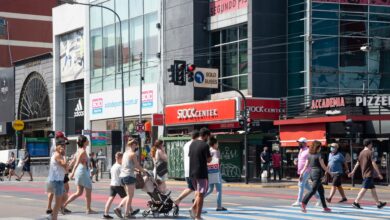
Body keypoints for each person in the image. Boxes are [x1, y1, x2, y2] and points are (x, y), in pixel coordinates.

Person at [348, 139, 386, 209]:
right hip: (368, 174)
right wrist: (379, 173)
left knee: (373, 189)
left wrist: (353, 171)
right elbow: (373, 163)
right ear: (369, 144)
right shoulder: (370, 152)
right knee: (364, 188)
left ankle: (378, 203)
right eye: (371, 144)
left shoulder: (361, 152)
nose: (372, 146)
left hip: (365, 174)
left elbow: (357, 163)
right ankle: (355, 202)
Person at [63, 135, 97, 214]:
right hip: (82, 172)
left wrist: (67, 168)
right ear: (84, 142)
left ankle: (63, 205)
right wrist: (71, 173)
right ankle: (88, 209)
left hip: (80, 172)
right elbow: (76, 163)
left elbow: (73, 161)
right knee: (88, 190)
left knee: (79, 192)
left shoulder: (78, 150)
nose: (88, 141)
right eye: (87, 140)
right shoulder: (82, 151)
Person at [300, 140, 331, 213]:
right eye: (320, 147)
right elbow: (323, 166)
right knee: (313, 190)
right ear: (318, 147)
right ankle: (304, 203)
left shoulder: (309, 155)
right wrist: (330, 172)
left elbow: (306, 165)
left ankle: (325, 207)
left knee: (321, 191)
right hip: (317, 173)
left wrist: (302, 173)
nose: (321, 148)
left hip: (312, 173)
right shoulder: (319, 155)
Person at [188, 127, 212, 220]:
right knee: (201, 195)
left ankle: (193, 209)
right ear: (205, 136)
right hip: (201, 173)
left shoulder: (192, 144)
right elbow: (209, 160)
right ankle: (198, 216)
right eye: (208, 136)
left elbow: (190, 156)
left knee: (198, 193)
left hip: (192, 173)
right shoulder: (205, 145)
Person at [119, 138, 146, 218]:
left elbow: (127, 165)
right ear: (133, 145)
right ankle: (127, 214)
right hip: (129, 176)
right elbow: (137, 165)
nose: (137, 146)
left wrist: (136, 169)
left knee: (128, 196)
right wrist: (143, 171)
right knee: (130, 196)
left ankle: (119, 208)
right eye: (136, 144)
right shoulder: (133, 154)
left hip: (122, 176)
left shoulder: (125, 153)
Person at [173, 130, 200, 210]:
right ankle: (195, 207)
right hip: (194, 169)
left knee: (191, 188)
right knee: (197, 188)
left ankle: (177, 200)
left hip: (187, 170)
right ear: (197, 137)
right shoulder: (195, 144)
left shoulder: (186, 144)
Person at [292, 137, 320, 207]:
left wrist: (303, 171)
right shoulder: (301, 150)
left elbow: (309, 161)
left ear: (304, 143)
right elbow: (302, 159)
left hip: (306, 170)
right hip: (301, 170)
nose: (299, 144)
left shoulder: (308, 150)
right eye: (298, 142)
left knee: (301, 185)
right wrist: (296, 161)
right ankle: (319, 198)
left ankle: (299, 201)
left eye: (300, 143)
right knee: (307, 186)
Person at [47, 139, 67, 220]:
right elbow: (65, 165)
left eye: (64, 146)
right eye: (61, 146)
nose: (63, 147)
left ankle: (52, 214)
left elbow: (66, 168)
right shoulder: (58, 155)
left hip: (58, 180)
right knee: (58, 203)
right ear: (57, 146)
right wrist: (65, 157)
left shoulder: (59, 155)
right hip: (57, 181)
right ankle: (53, 217)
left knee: (65, 197)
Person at [103, 152, 128, 219]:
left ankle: (106, 214)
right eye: (122, 158)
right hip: (118, 185)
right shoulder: (120, 167)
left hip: (112, 184)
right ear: (120, 158)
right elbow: (123, 176)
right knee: (128, 197)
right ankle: (119, 208)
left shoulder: (113, 166)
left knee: (110, 199)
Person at [205, 136, 227, 211]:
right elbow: (218, 162)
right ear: (214, 144)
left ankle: (198, 199)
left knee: (210, 189)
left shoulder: (208, 151)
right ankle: (219, 206)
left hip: (209, 171)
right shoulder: (216, 151)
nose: (218, 145)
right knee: (219, 190)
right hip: (216, 171)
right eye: (217, 143)